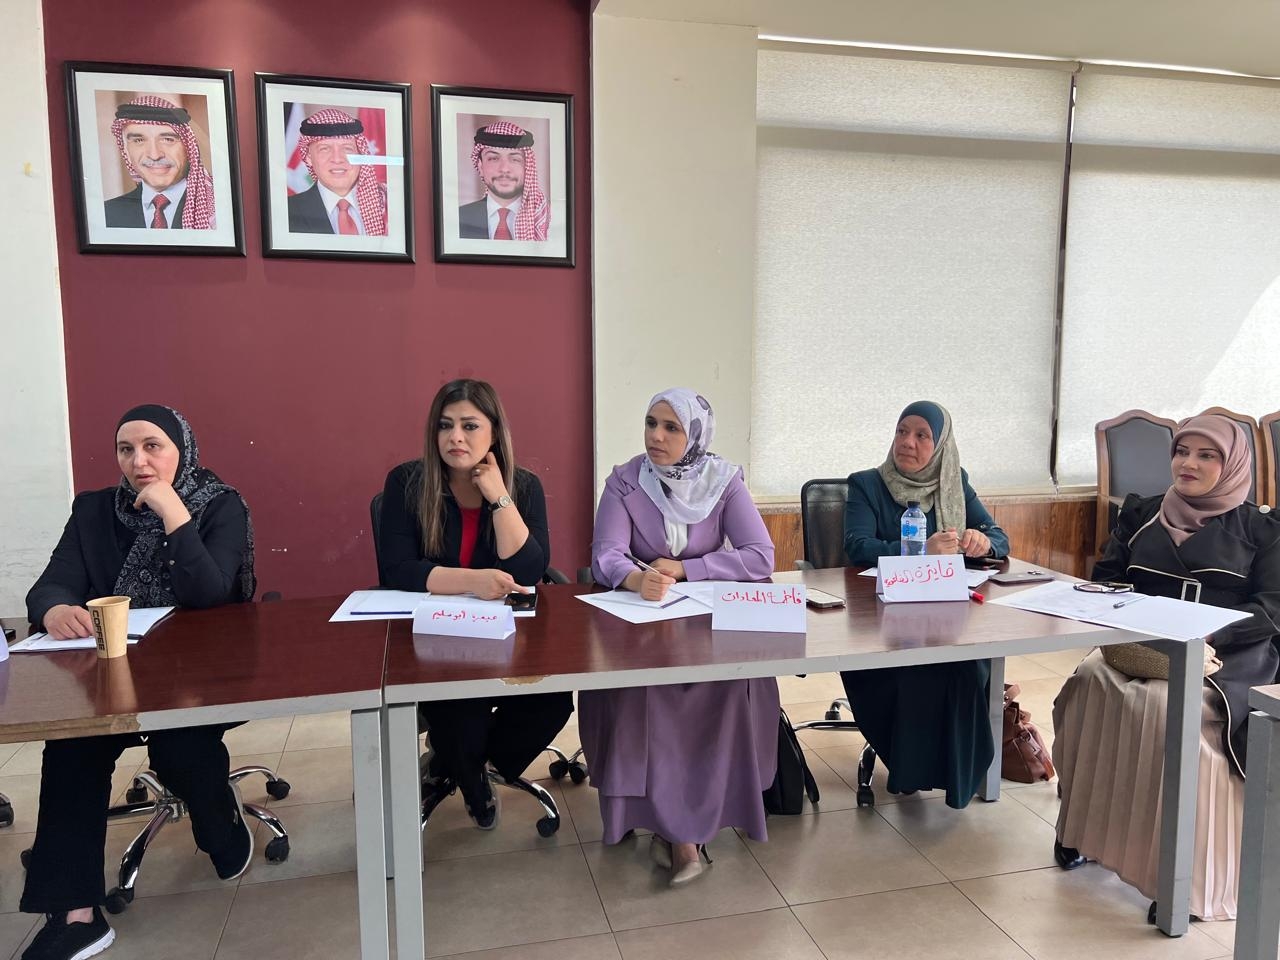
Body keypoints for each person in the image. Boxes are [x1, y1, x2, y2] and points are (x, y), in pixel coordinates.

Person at [21, 404, 255, 960]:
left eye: (153, 446)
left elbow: (209, 594)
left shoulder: (220, 506)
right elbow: (50, 584)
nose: (138, 461)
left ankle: (220, 820)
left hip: (201, 674)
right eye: (126, 449)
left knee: (181, 749)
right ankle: (76, 914)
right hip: (114, 676)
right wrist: (54, 609)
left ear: (182, 450)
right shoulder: (93, 510)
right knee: (72, 747)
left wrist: (174, 513)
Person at [1052, 414, 1280, 920]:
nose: (1188, 463)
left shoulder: (1263, 530)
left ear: (1233, 464)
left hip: (1225, 657)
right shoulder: (1141, 514)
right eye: (1181, 451)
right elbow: (1106, 579)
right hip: (1142, 646)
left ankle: (1187, 881)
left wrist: (1208, 631)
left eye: (1206, 455)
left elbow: (1273, 608)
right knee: (1088, 682)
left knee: (1164, 708)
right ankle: (1084, 831)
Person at [579, 388, 779, 886]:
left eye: (671, 427)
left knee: (724, 683)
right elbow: (605, 554)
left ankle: (697, 820)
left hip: (704, 626)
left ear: (695, 436)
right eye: (651, 423)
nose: (656, 436)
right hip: (641, 627)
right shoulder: (626, 481)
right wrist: (634, 578)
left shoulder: (723, 481)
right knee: (646, 687)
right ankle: (668, 828)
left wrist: (689, 569)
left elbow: (760, 556)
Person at [376, 378, 572, 829]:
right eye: (445, 425)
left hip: (507, 636)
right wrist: (474, 581)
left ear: (494, 432)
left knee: (553, 700)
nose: (455, 437)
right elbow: (398, 570)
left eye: (469, 425)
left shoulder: (523, 486)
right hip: (436, 636)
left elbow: (528, 571)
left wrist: (498, 496)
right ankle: (471, 780)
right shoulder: (407, 482)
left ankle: (460, 765)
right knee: (461, 711)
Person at [840, 400, 1010, 808]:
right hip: (883, 621)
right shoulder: (866, 484)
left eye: (921, 435)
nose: (907, 442)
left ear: (941, 446)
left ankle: (957, 777)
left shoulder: (954, 482)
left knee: (963, 667)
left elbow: (998, 537)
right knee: (915, 674)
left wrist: (982, 541)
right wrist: (915, 551)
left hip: (946, 617)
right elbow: (857, 546)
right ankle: (910, 771)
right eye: (902, 431)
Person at [104, 96, 216, 230]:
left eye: (168, 139)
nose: (154, 155)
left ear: (188, 148)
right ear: (126, 151)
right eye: (139, 140)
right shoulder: (106, 214)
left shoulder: (218, 208)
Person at [287, 108, 388, 236]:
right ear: (309, 158)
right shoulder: (288, 211)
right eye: (325, 149)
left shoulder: (387, 207)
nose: (337, 159)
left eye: (347, 149)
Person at [458, 121, 549, 241]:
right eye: (493, 158)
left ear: (527, 167)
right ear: (480, 167)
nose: (504, 169)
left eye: (515, 159)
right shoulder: (458, 219)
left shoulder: (546, 219)